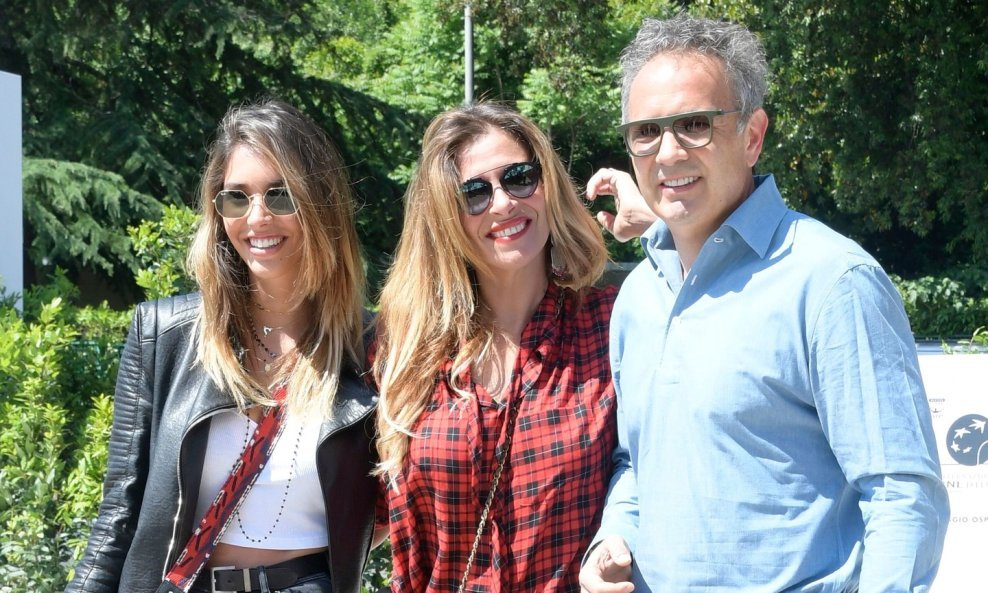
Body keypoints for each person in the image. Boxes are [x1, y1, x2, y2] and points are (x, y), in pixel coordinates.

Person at [580, 13, 949, 593]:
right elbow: (635, 461)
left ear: (752, 136)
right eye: (646, 131)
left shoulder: (832, 281)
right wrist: (612, 540)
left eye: (695, 125)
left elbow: (902, 496)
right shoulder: (638, 297)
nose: (668, 153)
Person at [65, 99, 378, 593]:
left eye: (280, 195)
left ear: (320, 205)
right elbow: (118, 514)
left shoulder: (372, 348)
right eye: (237, 198)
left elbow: (404, 506)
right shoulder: (165, 334)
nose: (257, 217)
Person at [371, 102, 617, 592]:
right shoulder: (403, 351)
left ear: (548, 185)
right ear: (446, 217)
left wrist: (657, 230)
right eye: (474, 193)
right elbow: (356, 517)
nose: (503, 203)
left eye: (519, 178)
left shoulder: (612, 326)